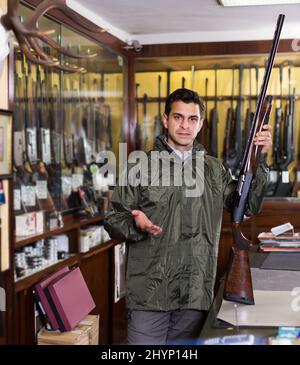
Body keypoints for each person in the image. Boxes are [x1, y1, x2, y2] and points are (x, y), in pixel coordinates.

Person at [104, 88, 272, 345]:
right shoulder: (140, 165)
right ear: (165, 119)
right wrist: (134, 224)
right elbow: (113, 218)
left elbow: (246, 206)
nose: (184, 125)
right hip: (149, 294)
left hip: (195, 292)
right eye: (178, 117)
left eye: (192, 119)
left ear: (201, 123)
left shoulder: (215, 170)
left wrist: (259, 161)